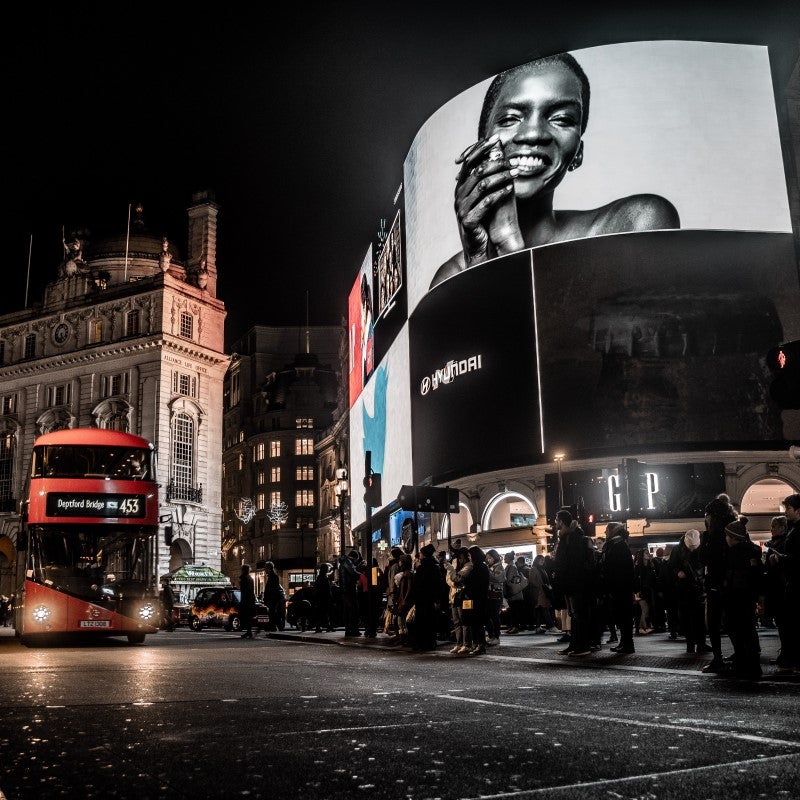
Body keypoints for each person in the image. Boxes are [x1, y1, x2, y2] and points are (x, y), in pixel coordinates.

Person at [430, 52, 679, 289]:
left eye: (561, 119)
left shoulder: (634, 224)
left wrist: (509, 252)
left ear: (577, 152)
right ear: (480, 144)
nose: (533, 133)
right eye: (509, 119)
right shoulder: (453, 275)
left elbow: (637, 333)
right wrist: (482, 265)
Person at [718, 516, 763, 679]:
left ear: (733, 538)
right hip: (748, 596)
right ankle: (752, 663)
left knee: (737, 629)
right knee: (748, 629)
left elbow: (733, 577)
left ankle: (744, 663)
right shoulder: (752, 552)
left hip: (736, 596)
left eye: (727, 536)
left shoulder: (734, 554)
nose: (725, 539)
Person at [701, 495, 738, 673]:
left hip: (717, 582)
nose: (705, 518)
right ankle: (740, 653)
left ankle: (718, 658)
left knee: (714, 622)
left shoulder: (712, 536)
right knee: (731, 621)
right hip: (729, 583)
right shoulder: (730, 531)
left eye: (707, 515)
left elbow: (705, 559)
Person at [552, 509, 596, 657]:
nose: (555, 522)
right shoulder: (566, 536)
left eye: (556, 519)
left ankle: (582, 646)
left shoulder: (572, 537)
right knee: (574, 615)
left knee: (579, 616)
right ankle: (574, 644)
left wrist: (567, 580)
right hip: (570, 585)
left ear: (562, 521)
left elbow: (574, 563)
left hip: (575, 584)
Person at [668, 530, 710, 655]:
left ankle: (700, 643)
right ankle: (691, 644)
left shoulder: (700, 548)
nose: (692, 549)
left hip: (697, 587)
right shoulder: (677, 550)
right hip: (684, 589)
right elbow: (670, 568)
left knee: (699, 618)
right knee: (687, 618)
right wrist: (677, 573)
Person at [599, 522, 635, 654]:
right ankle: (624, 643)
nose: (605, 533)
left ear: (613, 531)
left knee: (624, 617)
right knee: (622, 617)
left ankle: (627, 644)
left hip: (620, 587)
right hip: (620, 587)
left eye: (607, 530)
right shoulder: (618, 544)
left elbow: (616, 568)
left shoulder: (618, 545)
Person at [462, 545, 490, 655]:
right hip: (476, 598)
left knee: (477, 622)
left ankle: (480, 644)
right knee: (474, 622)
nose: (469, 557)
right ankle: (477, 644)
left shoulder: (479, 567)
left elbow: (477, 584)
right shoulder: (479, 566)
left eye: (470, 555)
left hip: (477, 599)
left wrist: (468, 588)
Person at [485, 549, 505, 645]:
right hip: (489, 594)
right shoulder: (490, 567)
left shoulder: (499, 567)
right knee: (488, 616)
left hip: (496, 594)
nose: (488, 560)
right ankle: (491, 636)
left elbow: (498, 578)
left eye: (490, 558)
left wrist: (487, 571)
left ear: (495, 557)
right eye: (487, 558)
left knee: (495, 616)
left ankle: (496, 637)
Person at [262, 561, 285, 633]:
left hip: (273, 599)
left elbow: (273, 589)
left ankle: (275, 626)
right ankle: (274, 626)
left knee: (273, 613)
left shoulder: (274, 576)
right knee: (272, 613)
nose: (264, 569)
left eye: (265, 568)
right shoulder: (271, 576)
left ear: (269, 568)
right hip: (271, 599)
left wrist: (269, 598)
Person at [312, 564, 334, 632]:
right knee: (325, 612)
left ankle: (320, 627)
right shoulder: (324, 578)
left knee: (322, 613)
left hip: (320, 598)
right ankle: (327, 626)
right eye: (327, 568)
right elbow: (327, 589)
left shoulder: (320, 577)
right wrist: (331, 597)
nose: (328, 569)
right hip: (324, 598)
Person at [239, 564, 256, 639]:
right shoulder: (250, 578)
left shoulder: (244, 578)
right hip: (250, 599)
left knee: (246, 615)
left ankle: (249, 631)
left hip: (246, 599)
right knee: (249, 616)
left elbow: (244, 590)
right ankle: (249, 631)